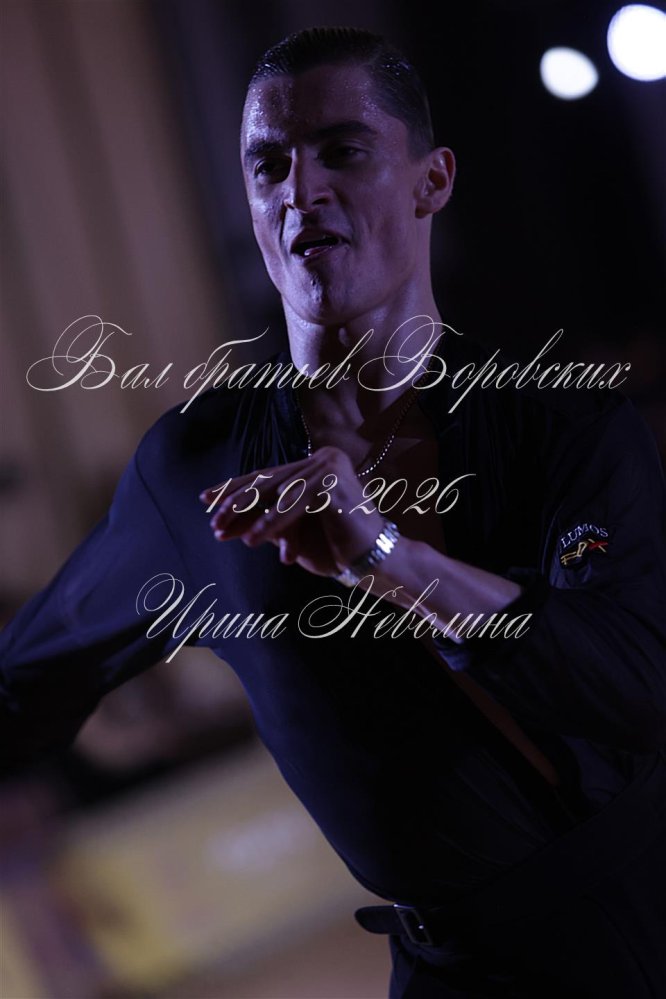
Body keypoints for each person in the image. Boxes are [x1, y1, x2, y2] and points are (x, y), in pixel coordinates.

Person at [2, 26, 665, 998]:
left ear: (432, 181)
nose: (299, 189)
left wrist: (388, 557)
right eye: (267, 164)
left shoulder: (560, 422)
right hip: (452, 972)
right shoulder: (194, 470)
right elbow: (25, 683)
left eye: (342, 151)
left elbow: (639, 689)